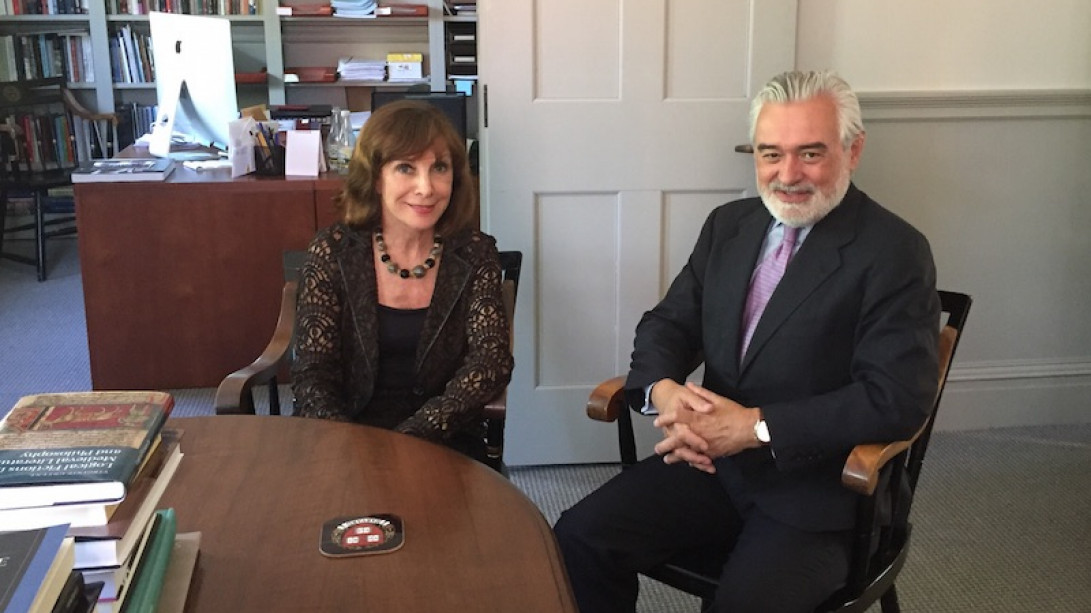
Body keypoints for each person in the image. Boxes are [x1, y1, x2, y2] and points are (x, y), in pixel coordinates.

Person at [553, 70, 940, 612]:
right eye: (770, 154)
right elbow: (669, 324)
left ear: (853, 151)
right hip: (711, 465)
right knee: (577, 538)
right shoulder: (729, 226)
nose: (787, 175)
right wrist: (665, 393)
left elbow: (895, 398)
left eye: (810, 153)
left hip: (819, 490)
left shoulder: (894, 251)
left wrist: (755, 428)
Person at [290, 100, 514, 463]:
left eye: (439, 167)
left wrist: (411, 437)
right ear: (376, 177)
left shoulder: (474, 253)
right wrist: (346, 444)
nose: (426, 188)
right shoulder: (333, 250)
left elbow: (490, 362)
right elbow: (313, 370)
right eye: (406, 168)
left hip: (443, 438)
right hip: (342, 439)